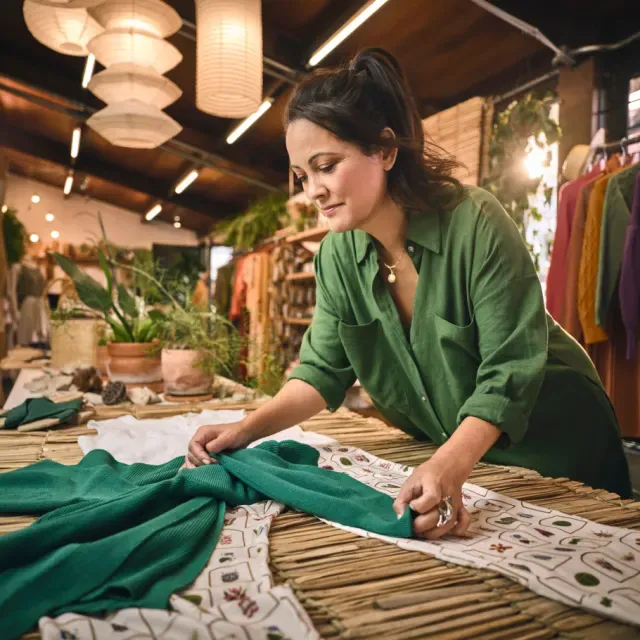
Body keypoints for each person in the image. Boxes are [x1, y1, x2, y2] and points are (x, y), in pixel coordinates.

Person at [187, 49, 632, 539]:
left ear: (385, 150)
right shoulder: (337, 257)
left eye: (326, 166)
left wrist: (448, 465)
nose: (312, 190)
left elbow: (508, 374)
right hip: (468, 459)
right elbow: (320, 371)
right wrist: (244, 430)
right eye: (301, 175)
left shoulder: (475, 223)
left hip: (558, 447)